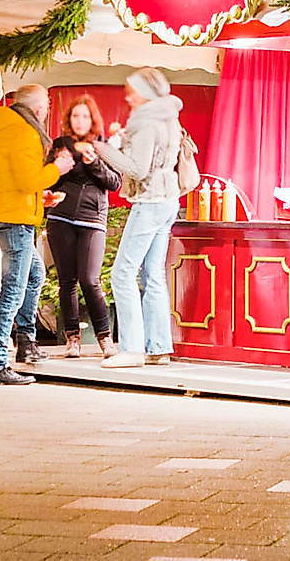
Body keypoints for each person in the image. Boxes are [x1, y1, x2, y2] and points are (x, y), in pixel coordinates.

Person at [93, 68, 188, 369]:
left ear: (146, 93)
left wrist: (102, 149)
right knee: (154, 274)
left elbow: (137, 169)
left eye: (132, 90)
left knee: (122, 272)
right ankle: (158, 347)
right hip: (168, 200)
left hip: (149, 202)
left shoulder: (147, 124)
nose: (127, 96)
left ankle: (132, 348)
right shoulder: (169, 119)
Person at [0, 84, 73, 384]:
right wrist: (57, 168)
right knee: (13, 290)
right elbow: (27, 179)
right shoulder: (24, 132)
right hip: (16, 221)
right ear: (37, 109)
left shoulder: (0, 130)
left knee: (34, 275)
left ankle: (26, 343)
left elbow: (13, 180)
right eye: (46, 106)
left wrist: (42, 197)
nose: (47, 112)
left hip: (6, 213)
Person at [47, 95, 120, 359]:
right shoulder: (59, 145)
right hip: (61, 218)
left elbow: (114, 183)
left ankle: (105, 340)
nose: (79, 121)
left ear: (93, 120)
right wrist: (60, 167)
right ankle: (72, 340)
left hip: (92, 220)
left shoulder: (104, 147)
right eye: (75, 116)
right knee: (67, 282)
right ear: (68, 119)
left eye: (85, 116)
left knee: (90, 280)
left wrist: (94, 163)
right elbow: (49, 181)